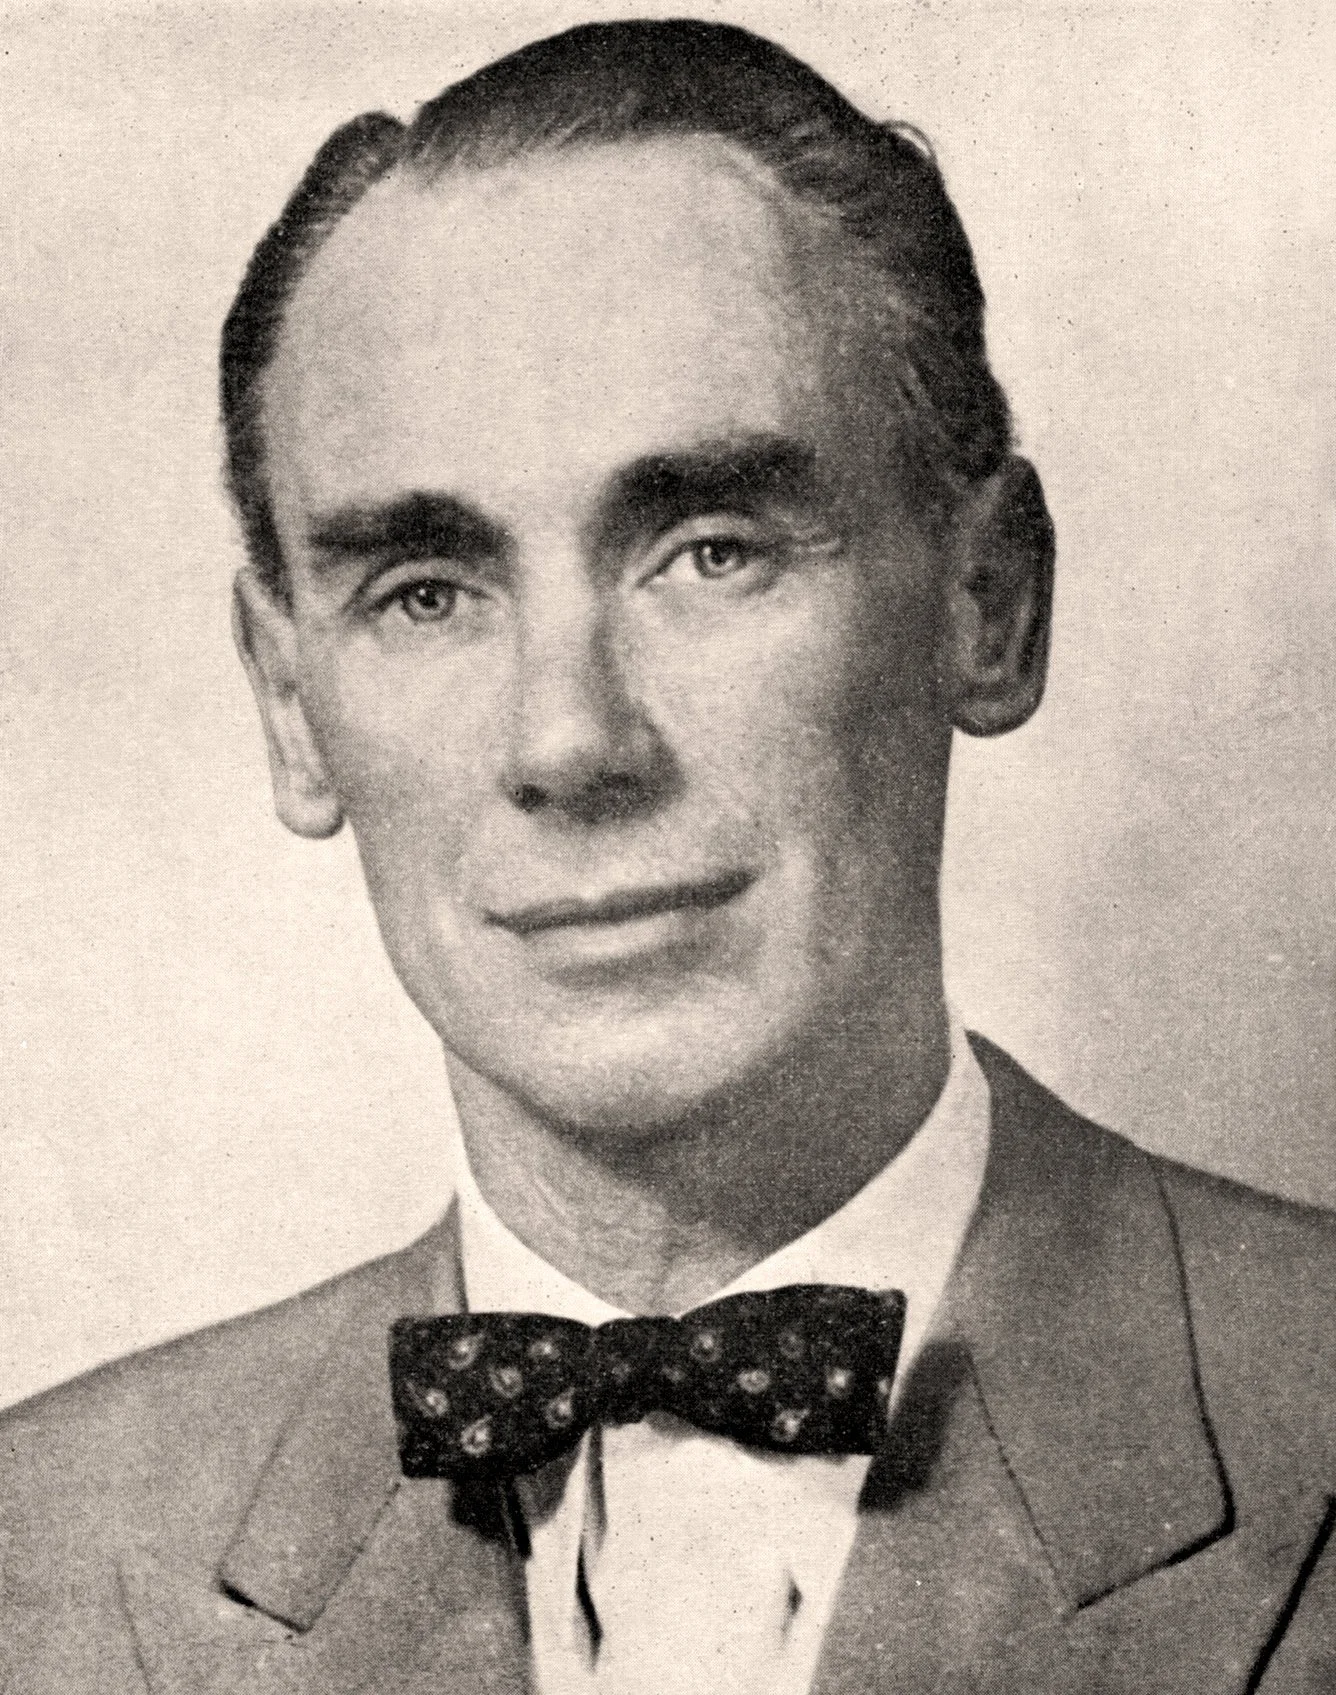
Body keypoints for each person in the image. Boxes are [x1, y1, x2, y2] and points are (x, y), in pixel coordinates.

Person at [2, 19, 1331, 1694]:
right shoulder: (39, 1549)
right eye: (427, 591)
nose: (570, 742)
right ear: (289, 704)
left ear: (988, 601)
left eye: (713, 550)